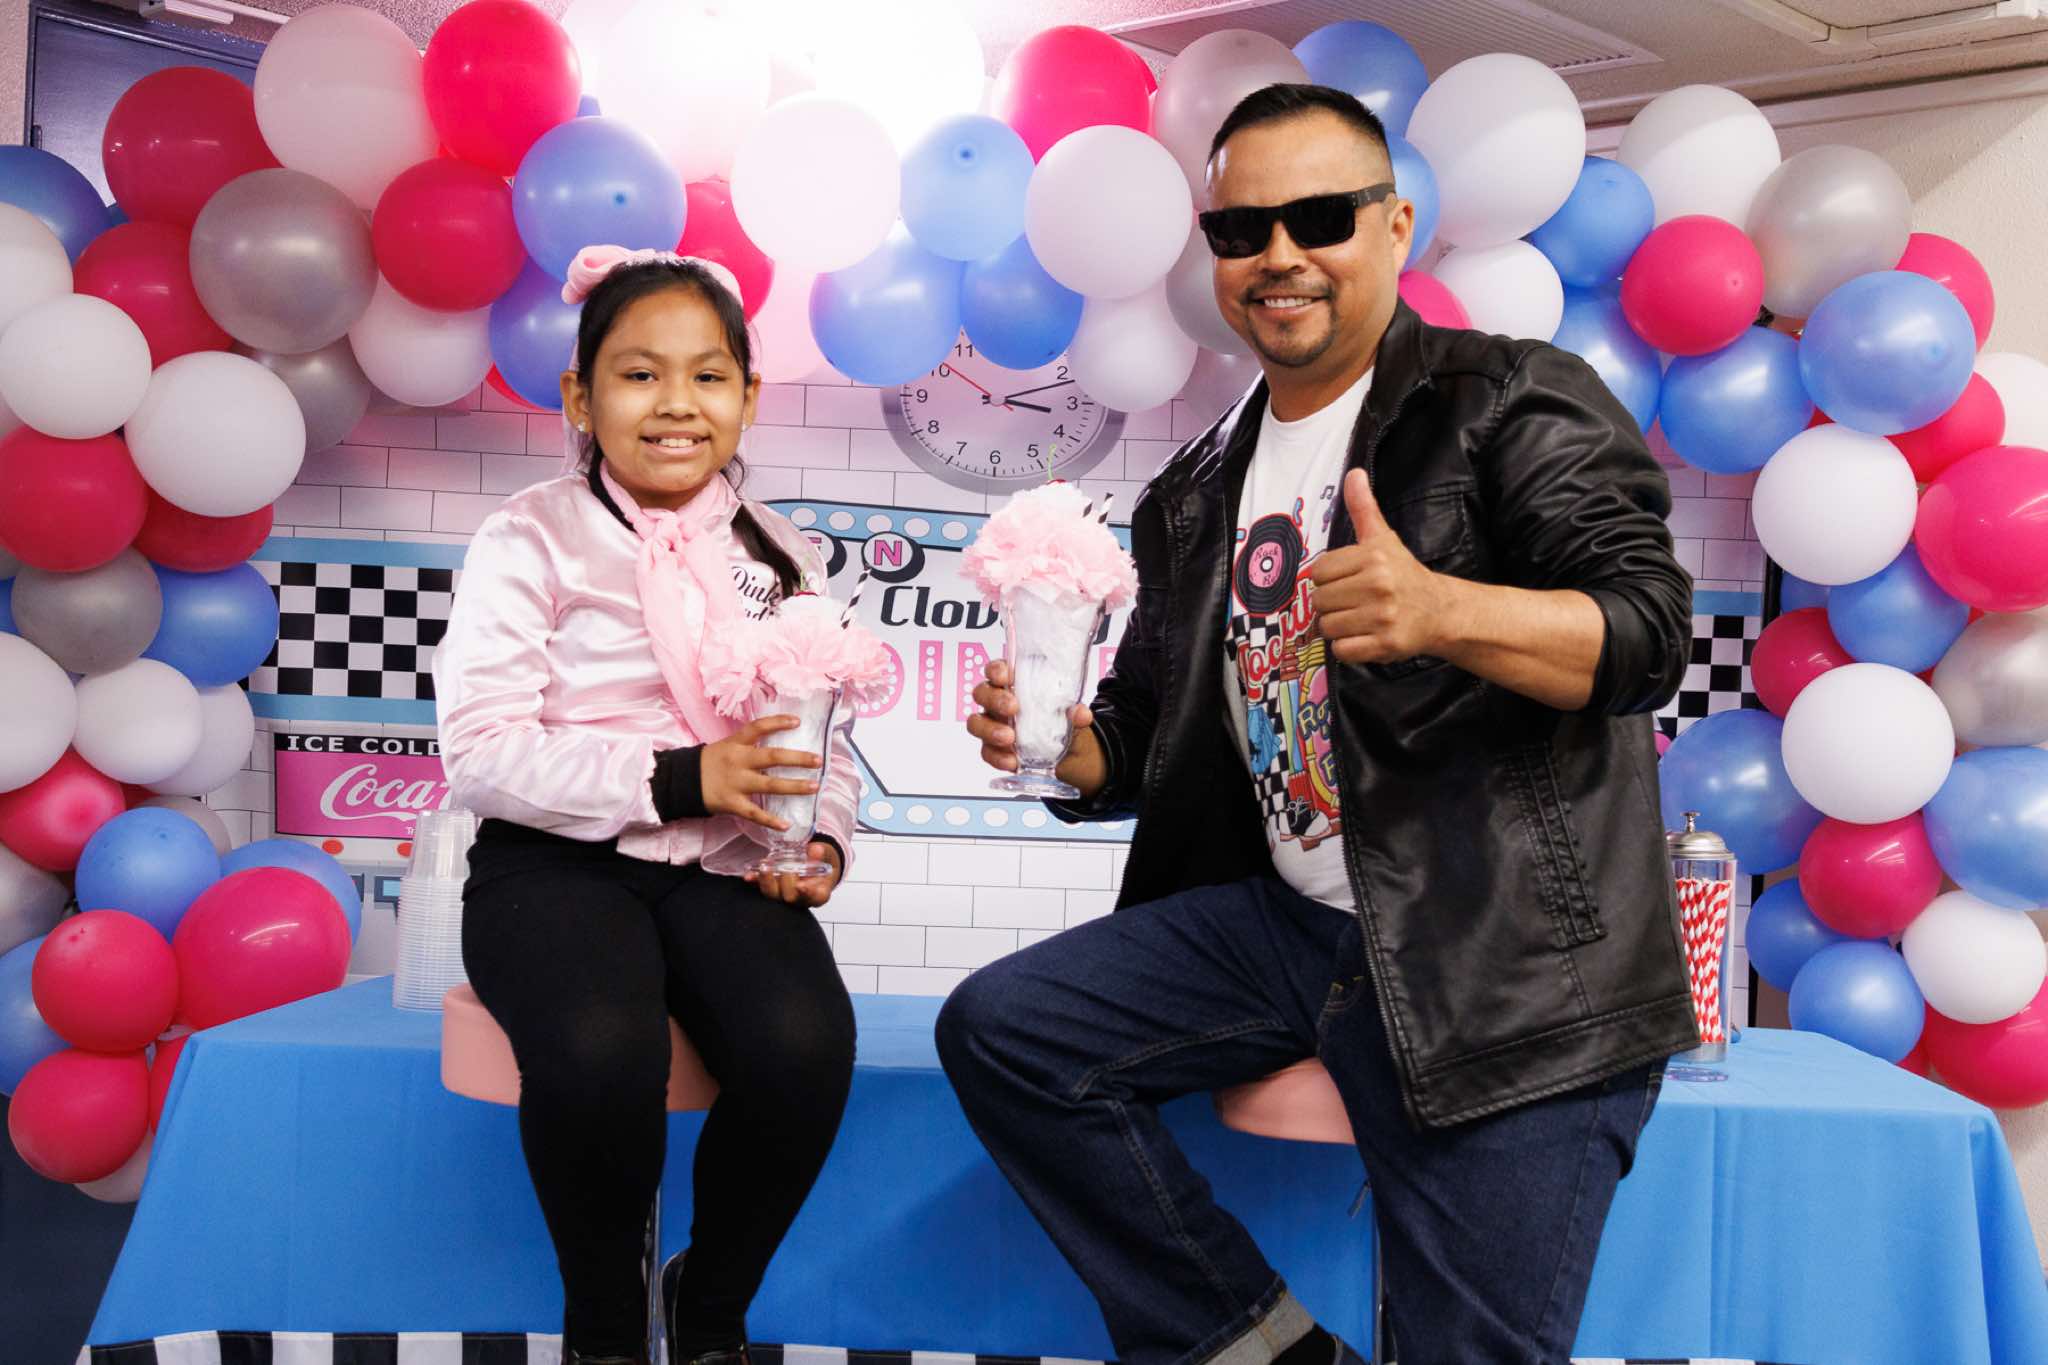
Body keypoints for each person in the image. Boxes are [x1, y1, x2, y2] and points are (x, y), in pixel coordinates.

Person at [940, 84, 1698, 1365]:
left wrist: (1445, 610)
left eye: (1320, 218)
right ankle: (1263, 1348)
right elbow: (1147, 725)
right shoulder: (1194, 487)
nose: (1278, 255)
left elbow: (1647, 633)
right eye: (1241, 230)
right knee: (1010, 1038)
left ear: (1393, 226)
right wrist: (1073, 749)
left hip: (1498, 958)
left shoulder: (1509, 399)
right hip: (1286, 932)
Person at [434, 248, 860, 1365]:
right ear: (579, 398)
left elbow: (821, 739)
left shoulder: (782, 554)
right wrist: (681, 776)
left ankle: (709, 1305)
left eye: (707, 376)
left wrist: (819, 837)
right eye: (638, 374)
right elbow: (480, 751)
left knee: (805, 1051)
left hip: (720, 861)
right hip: (551, 864)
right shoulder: (528, 535)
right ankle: (606, 1328)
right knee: (598, 1053)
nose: (676, 403)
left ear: (747, 397)